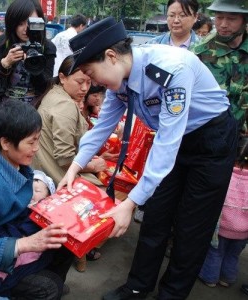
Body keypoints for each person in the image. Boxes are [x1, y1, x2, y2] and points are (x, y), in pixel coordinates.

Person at [57, 16, 238, 300]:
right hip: (173, 140)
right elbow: (102, 128)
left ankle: (171, 294)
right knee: (156, 216)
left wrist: (129, 203)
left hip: (210, 141)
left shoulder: (170, 69)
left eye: (92, 74)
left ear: (111, 56)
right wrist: (75, 167)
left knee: (192, 227)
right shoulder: (120, 82)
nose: (93, 83)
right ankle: (137, 286)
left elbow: (167, 145)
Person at [0, 99, 73, 299]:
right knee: (49, 288)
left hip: (11, 234)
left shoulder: (17, 165)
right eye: (31, 142)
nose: (37, 148)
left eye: (38, 139)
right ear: (5, 143)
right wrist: (25, 244)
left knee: (66, 243)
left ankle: (50, 279)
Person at [32, 55, 108, 272]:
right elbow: (65, 157)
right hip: (56, 176)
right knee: (109, 197)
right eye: (79, 82)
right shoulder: (65, 106)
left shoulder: (55, 95)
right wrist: (92, 166)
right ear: (63, 78)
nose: (85, 87)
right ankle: (81, 252)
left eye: (88, 82)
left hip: (45, 171)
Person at [135, 0, 200, 224]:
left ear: (195, 17)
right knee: (156, 169)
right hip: (157, 123)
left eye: (182, 15)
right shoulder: (152, 45)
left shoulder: (202, 50)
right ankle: (146, 205)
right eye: (171, 15)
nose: (176, 20)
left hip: (193, 127)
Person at [0, 0, 56, 109]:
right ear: (12, 23)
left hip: (35, 108)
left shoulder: (47, 46)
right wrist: (5, 63)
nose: (26, 29)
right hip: (5, 108)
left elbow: (45, 86)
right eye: (20, 23)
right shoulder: (4, 41)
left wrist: (34, 65)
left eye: (31, 23)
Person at [198, 135, 248, 288]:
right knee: (233, 255)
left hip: (222, 226)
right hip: (244, 230)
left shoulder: (225, 174)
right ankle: (227, 278)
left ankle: (210, 278)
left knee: (215, 252)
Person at [191, 0, 248, 133]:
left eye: (231, 19)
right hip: (209, 138)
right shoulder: (198, 54)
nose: (223, 24)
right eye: (219, 17)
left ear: (244, 20)